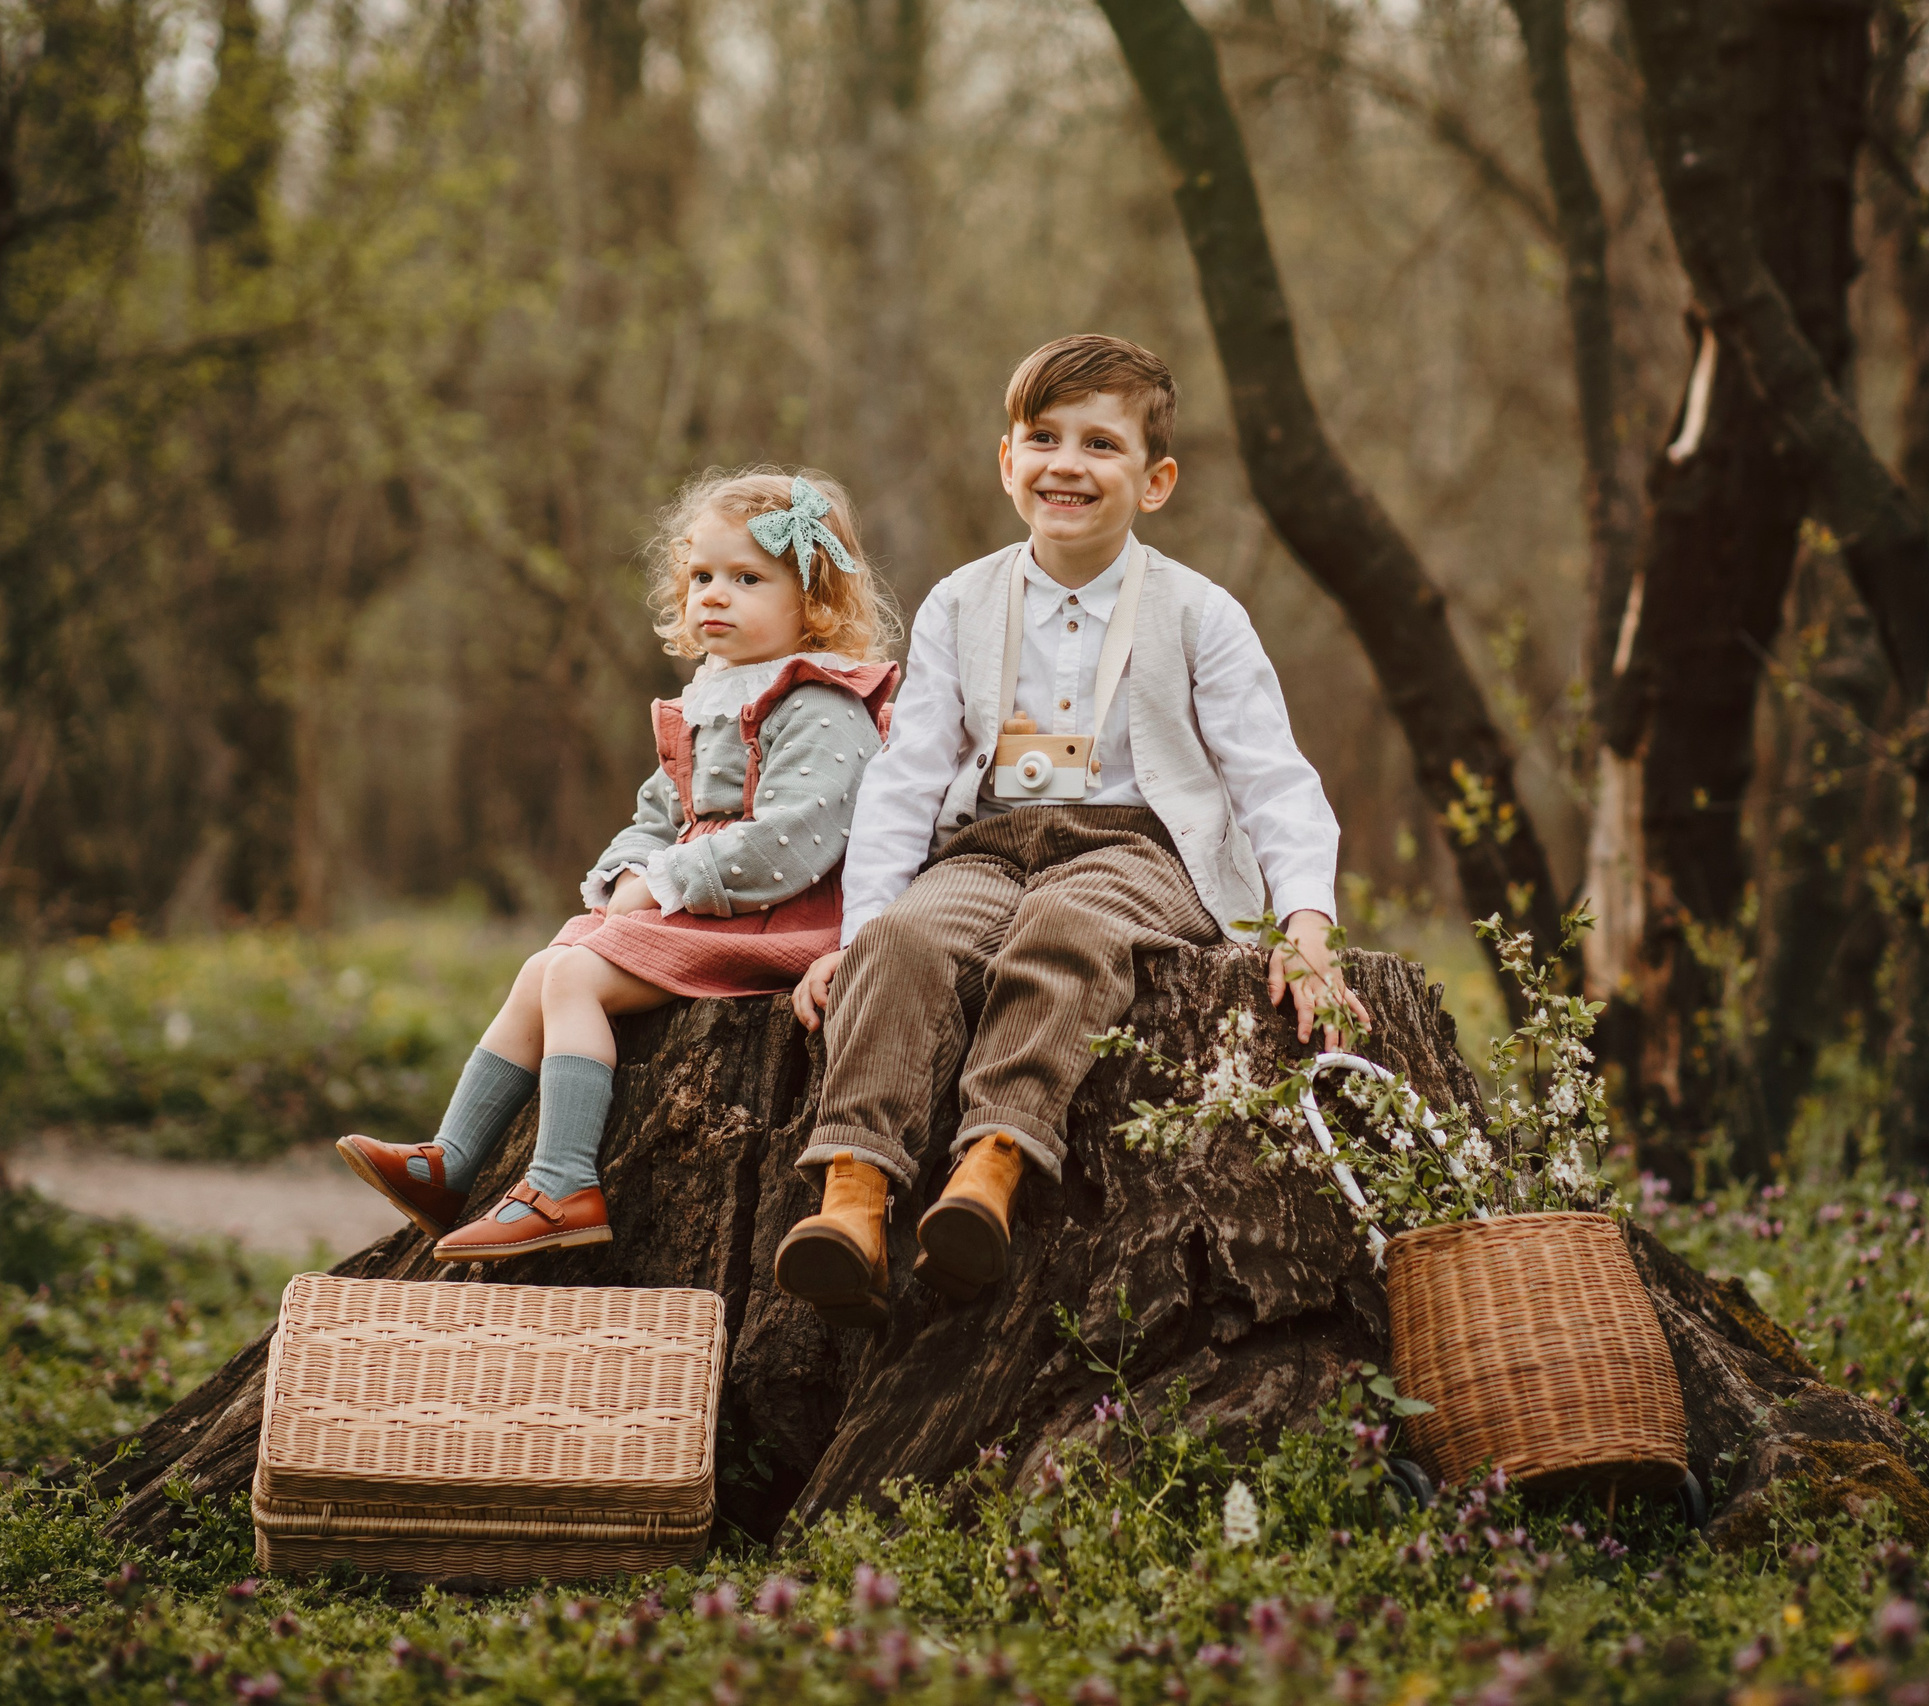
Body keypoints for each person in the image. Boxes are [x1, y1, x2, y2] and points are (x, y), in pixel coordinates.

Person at [772, 334, 1369, 1330]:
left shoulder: (1200, 613)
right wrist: (859, 927)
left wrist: (1306, 918)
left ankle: (990, 1165)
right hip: (990, 842)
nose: (1067, 464)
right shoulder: (962, 601)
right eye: (1043, 438)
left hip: (1137, 848)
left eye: (1101, 444)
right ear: (1007, 461)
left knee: (1066, 933)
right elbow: (906, 776)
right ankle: (854, 1194)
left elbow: (1273, 777)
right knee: (905, 942)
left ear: (1155, 480)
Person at [337, 469, 898, 1261]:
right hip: (710, 910)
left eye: (747, 579)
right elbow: (657, 816)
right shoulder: (711, 697)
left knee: (573, 977)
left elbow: (793, 842)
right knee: (544, 966)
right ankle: (452, 1162)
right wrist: (624, 879)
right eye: (702, 577)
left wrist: (667, 884)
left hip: (781, 920)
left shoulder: (821, 703)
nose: (716, 595)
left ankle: (562, 1184)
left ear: (814, 601)